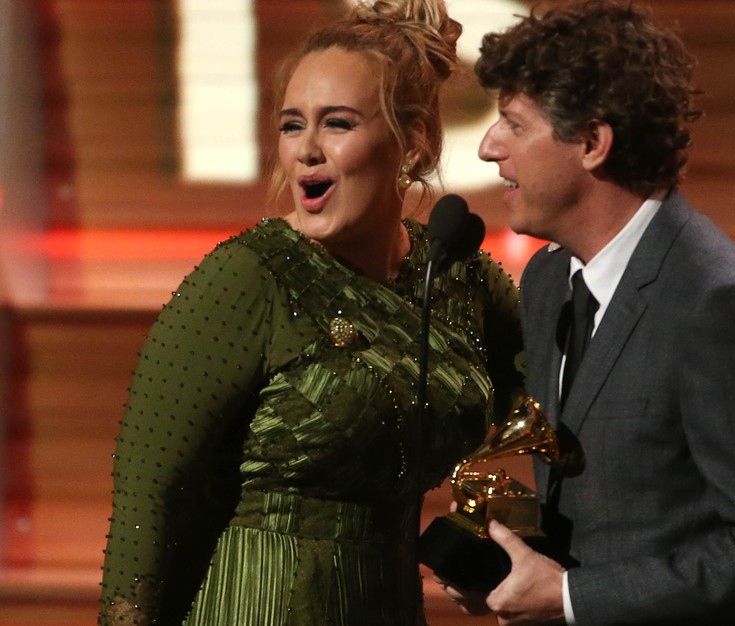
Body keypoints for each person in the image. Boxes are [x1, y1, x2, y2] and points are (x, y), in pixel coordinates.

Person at [97, 1, 523, 624]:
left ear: (415, 142)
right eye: (292, 125)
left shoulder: (459, 276)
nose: (306, 152)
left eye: (338, 124)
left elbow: (558, 405)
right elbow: (148, 498)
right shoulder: (246, 278)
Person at [437, 1, 735, 624]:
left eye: (513, 124)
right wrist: (514, 570)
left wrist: (570, 598)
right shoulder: (547, 277)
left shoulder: (717, 302)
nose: (489, 148)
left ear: (592, 144)